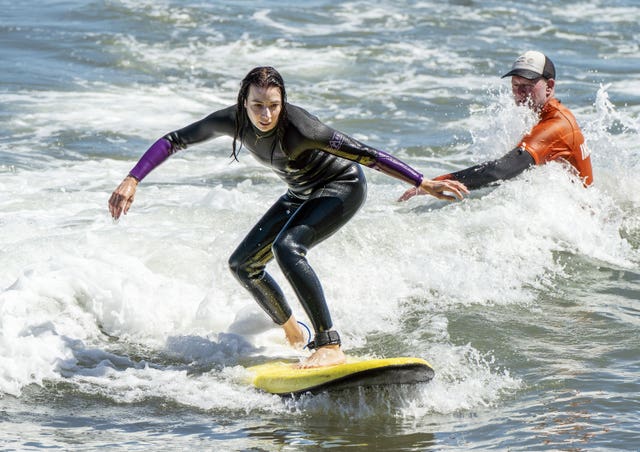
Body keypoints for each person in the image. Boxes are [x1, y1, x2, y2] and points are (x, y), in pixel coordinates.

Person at [108, 66, 468, 368]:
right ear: (243, 104)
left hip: (341, 186)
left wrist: (423, 182)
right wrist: (132, 178)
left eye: (274, 106)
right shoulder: (232, 121)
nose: (265, 115)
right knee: (242, 265)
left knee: (288, 247)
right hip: (301, 192)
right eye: (257, 106)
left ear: (284, 102)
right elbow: (174, 139)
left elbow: (366, 154)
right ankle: (294, 332)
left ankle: (330, 344)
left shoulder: (302, 128)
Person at [399, 50, 593, 202]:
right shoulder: (543, 115)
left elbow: (500, 171)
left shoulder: (555, 125)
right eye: (516, 85)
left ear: (549, 86)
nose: (520, 93)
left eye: (528, 85)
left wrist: (434, 183)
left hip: (580, 222)